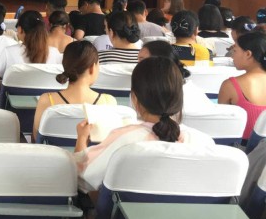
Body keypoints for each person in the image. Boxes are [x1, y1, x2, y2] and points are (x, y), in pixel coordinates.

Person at [74, 56, 215, 193]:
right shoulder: (205, 143)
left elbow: (81, 177)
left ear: (135, 98)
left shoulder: (124, 139)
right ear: (179, 98)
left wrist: (81, 139)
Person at [32, 41, 116, 141]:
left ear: (65, 65)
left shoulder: (46, 101)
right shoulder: (108, 102)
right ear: (92, 68)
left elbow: (37, 139)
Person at [0, 10, 63, 91]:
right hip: (48, 99)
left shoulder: (9, 52)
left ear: (20, 29)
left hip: (14, 98)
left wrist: (9, 86)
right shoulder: (55, 53)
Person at [218, 31, 266, 141]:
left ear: (248, 54)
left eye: (235, 51)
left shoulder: (230, 86)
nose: (232, 56)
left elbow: (222, 125)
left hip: (243, 148)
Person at [138, 39, 213, 109]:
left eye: (142, 60)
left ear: (160, 63)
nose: (138, 65)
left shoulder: (156, 96)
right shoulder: (192, 91)